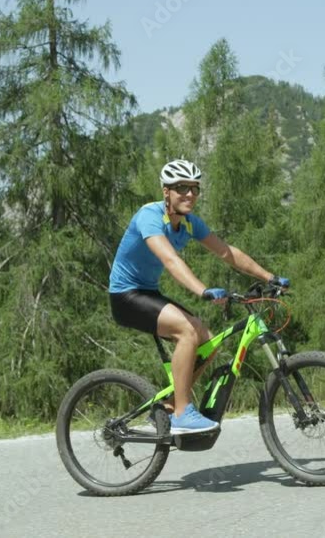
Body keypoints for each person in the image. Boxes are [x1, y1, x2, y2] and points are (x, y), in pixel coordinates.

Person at [108, 159, 289, 434]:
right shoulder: (149, 216)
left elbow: (227, 252)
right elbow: (170, 260)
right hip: (125, 296)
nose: (190, 194)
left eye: (195, 189)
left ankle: (170, 405)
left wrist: (269, 277)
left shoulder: (190, 224)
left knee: (208, 340)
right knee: (186, 332)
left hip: (148, 292)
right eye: (181, 188)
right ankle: (182, 411)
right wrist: (202, 290)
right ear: (166, 191)